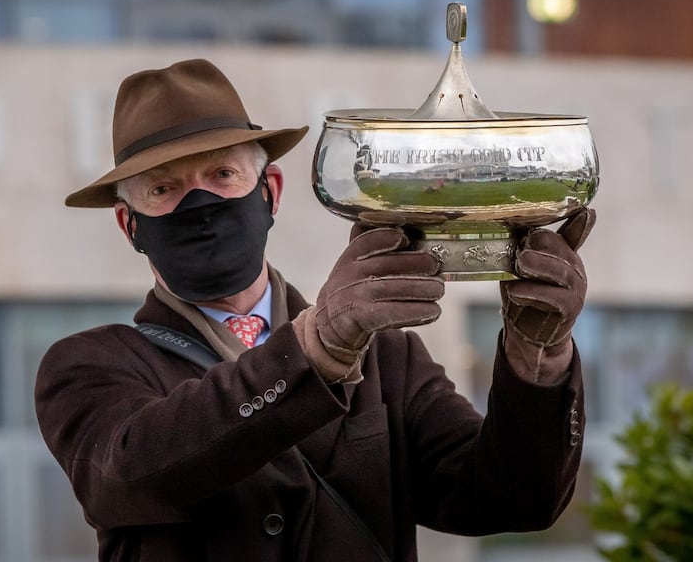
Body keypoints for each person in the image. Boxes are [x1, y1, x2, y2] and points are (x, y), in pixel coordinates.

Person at [35, 58, 595, 562]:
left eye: (223, 175)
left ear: (270, 192)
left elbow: (509, 499)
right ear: (130, 225)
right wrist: (312, 351)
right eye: (163, 189)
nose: (200, 202)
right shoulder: (90, 365)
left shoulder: (389, 357)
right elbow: (130, 474)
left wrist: (537, 362)